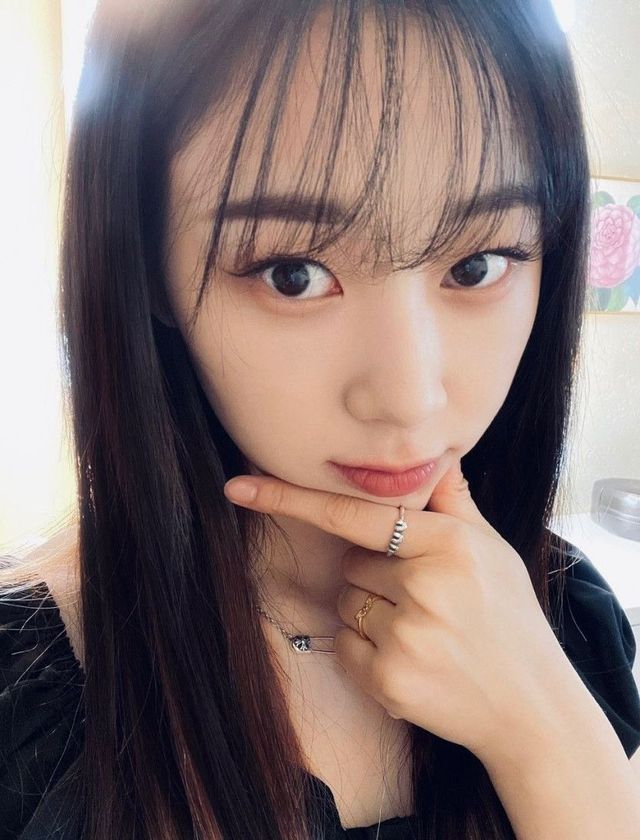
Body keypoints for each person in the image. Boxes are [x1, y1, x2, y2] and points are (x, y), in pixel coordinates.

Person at [1, 0, 639, 838]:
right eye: (293, 274)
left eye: (479, 263)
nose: (410, 397)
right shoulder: (26, 694)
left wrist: (541, 730)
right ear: (147, 269)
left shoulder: (565, 612)